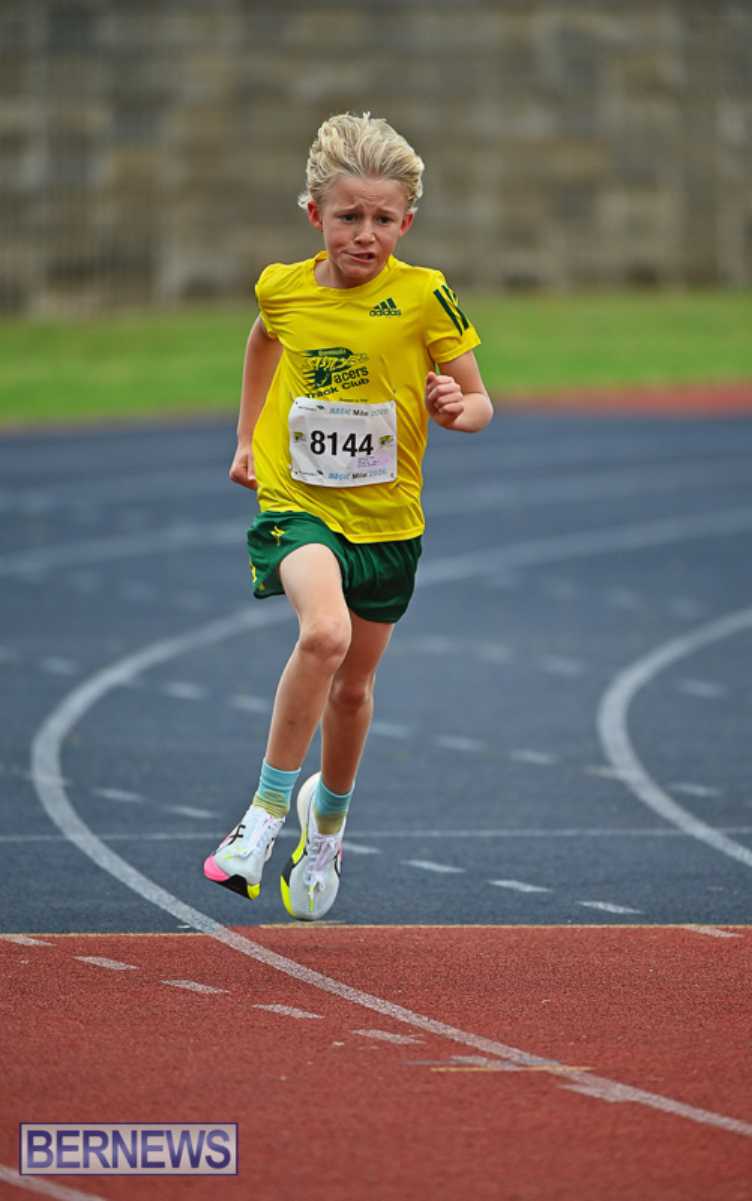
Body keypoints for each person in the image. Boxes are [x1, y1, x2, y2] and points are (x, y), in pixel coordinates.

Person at [203, 111, 492, 920]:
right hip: (298, 503)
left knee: (355, 689)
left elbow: (480, 402)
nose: (365, 235)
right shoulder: (283, 288)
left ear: (407, 223)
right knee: (324, 634)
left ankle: (325, 826)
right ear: (314, 215)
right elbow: (262, 342)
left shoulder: (424, 296)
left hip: (388, 521)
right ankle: (263, 815)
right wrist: (247, 437)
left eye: (383, 219)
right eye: (348, 216)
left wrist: (455, 406)